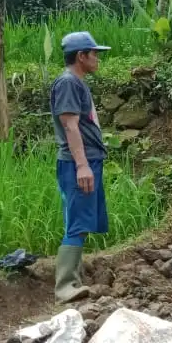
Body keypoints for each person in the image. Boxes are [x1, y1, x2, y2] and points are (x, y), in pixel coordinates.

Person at [50, 31, 111, 303]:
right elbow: (70, 125)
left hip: (88, 161)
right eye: (94, 53)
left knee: (83, 222)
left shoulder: (77, 83)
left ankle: (72, 280)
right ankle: (65, 286)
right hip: (78, 163)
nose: (97, 58)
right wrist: (82, 165)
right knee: (76, 222)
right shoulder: (67, 83)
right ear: (80, 56)